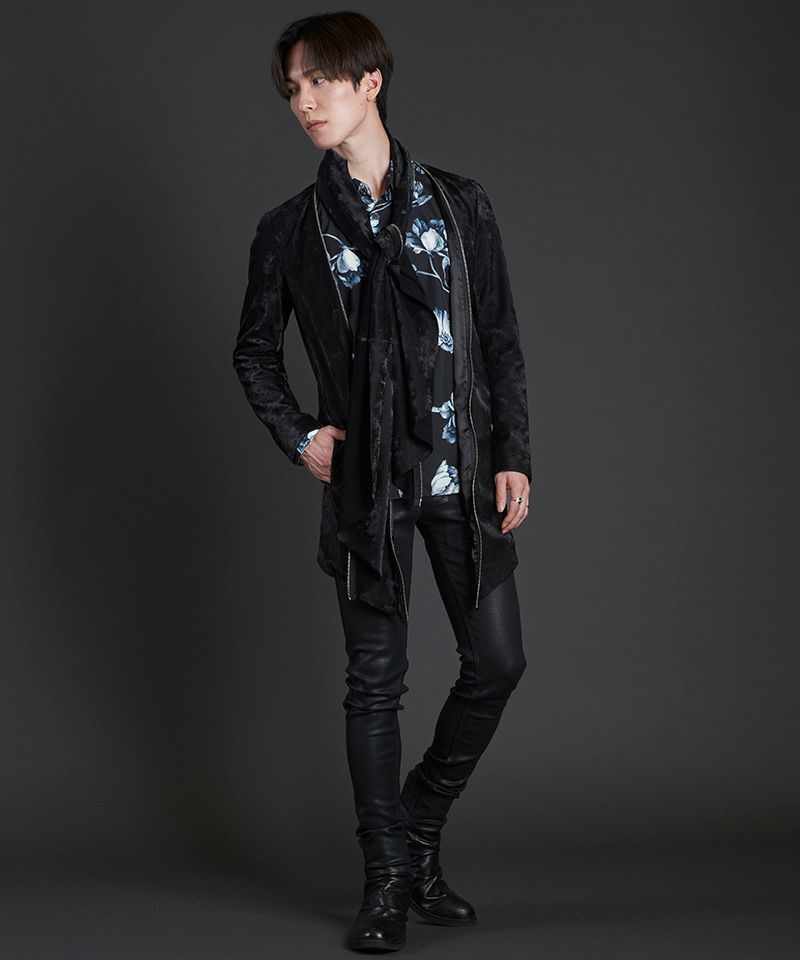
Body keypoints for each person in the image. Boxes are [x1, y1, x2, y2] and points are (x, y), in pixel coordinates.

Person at [232, 11, 532, 953]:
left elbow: (499, 340)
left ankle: (419, 827)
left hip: (461, 474)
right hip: (367, 487)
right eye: (293, 89)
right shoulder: (290, 230)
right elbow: (253, 353)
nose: (304, 102)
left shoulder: (460, 205)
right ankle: (389, 879)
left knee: (497, 663)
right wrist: (299, 437)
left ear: (370, 81)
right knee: (375, 685)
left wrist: (513, 452)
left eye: (320, 81)